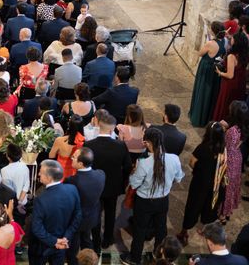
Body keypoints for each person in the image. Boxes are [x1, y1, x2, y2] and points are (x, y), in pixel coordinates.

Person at [120, 128, 184, 265]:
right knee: (161, 228)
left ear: (148, 143)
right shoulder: (174, 159)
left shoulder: (143, 163)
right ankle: (159, 255)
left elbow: (134, 183)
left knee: (140, 230)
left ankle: (135, 259)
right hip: (163, 200)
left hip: (144, 202)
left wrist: (134, 170)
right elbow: (178, 178)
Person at [85, 112, 131, 250]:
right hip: (113, 185)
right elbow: (128, 166)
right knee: (111, 213)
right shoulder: (121, 146)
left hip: (94, 186)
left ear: (98, 126)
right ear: (112, 130)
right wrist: (123, 181)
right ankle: (108, 238)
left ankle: (97, 240)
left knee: (96, 213)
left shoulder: (89, 145)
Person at [176, 121, 226, 246]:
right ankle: (206, 231)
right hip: (215, 185)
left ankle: (184, 233)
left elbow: (191, 162)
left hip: (200, 183)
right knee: (210, 207)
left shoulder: (202, 148)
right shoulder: (223, 150)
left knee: (193, 206)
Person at [29, 160, 81, 265]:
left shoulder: (41, 199)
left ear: (49, 178)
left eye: (41, 172)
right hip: (63, 245)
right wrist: (65, 238)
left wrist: (55, 241)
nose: (38, 174)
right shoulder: (72, 189)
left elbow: (36, 228)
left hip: (42, 247)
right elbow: (78, 216)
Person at [66, 148, 105, 262]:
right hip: (92, 217)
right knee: (87, 240)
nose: (71, 158)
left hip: (76, 219)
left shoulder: (71, 180)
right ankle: (89, 261)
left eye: (74, 157)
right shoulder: (101, 174)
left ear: (81, 164)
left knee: (73, 246)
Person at [189, 22, 227, 126]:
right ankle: (208, 117)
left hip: (206, 69)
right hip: (216, 70)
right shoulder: (224, 41)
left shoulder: (210, 43)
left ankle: (198, 118)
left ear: (213, 31)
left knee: (203, 92)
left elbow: (200, 53)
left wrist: (207, 42)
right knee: (211, 93)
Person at [219, 100, 249, 222]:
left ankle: (222, 215)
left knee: (225, 187)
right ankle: (227, 212)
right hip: (237, 157)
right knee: (231, 187)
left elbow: (225, 146)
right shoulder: (244, 126)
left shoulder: (232, 131)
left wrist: (222, 130)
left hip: (229, 159)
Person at [212, 32, 249, 121]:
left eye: (233, 38)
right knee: (236, 107)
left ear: (236, 42)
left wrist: (219, 72)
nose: (231, 39)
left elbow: (230, 75)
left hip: (230, 85)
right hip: (241, 83)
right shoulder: (246, 54)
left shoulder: (232, 56)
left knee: (226, 104)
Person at [49, 114, 85, 179]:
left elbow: (51, 156)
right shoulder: (84, 142)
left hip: (59, 173)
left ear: (69, 126)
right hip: (75, 175)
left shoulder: (59, 140)